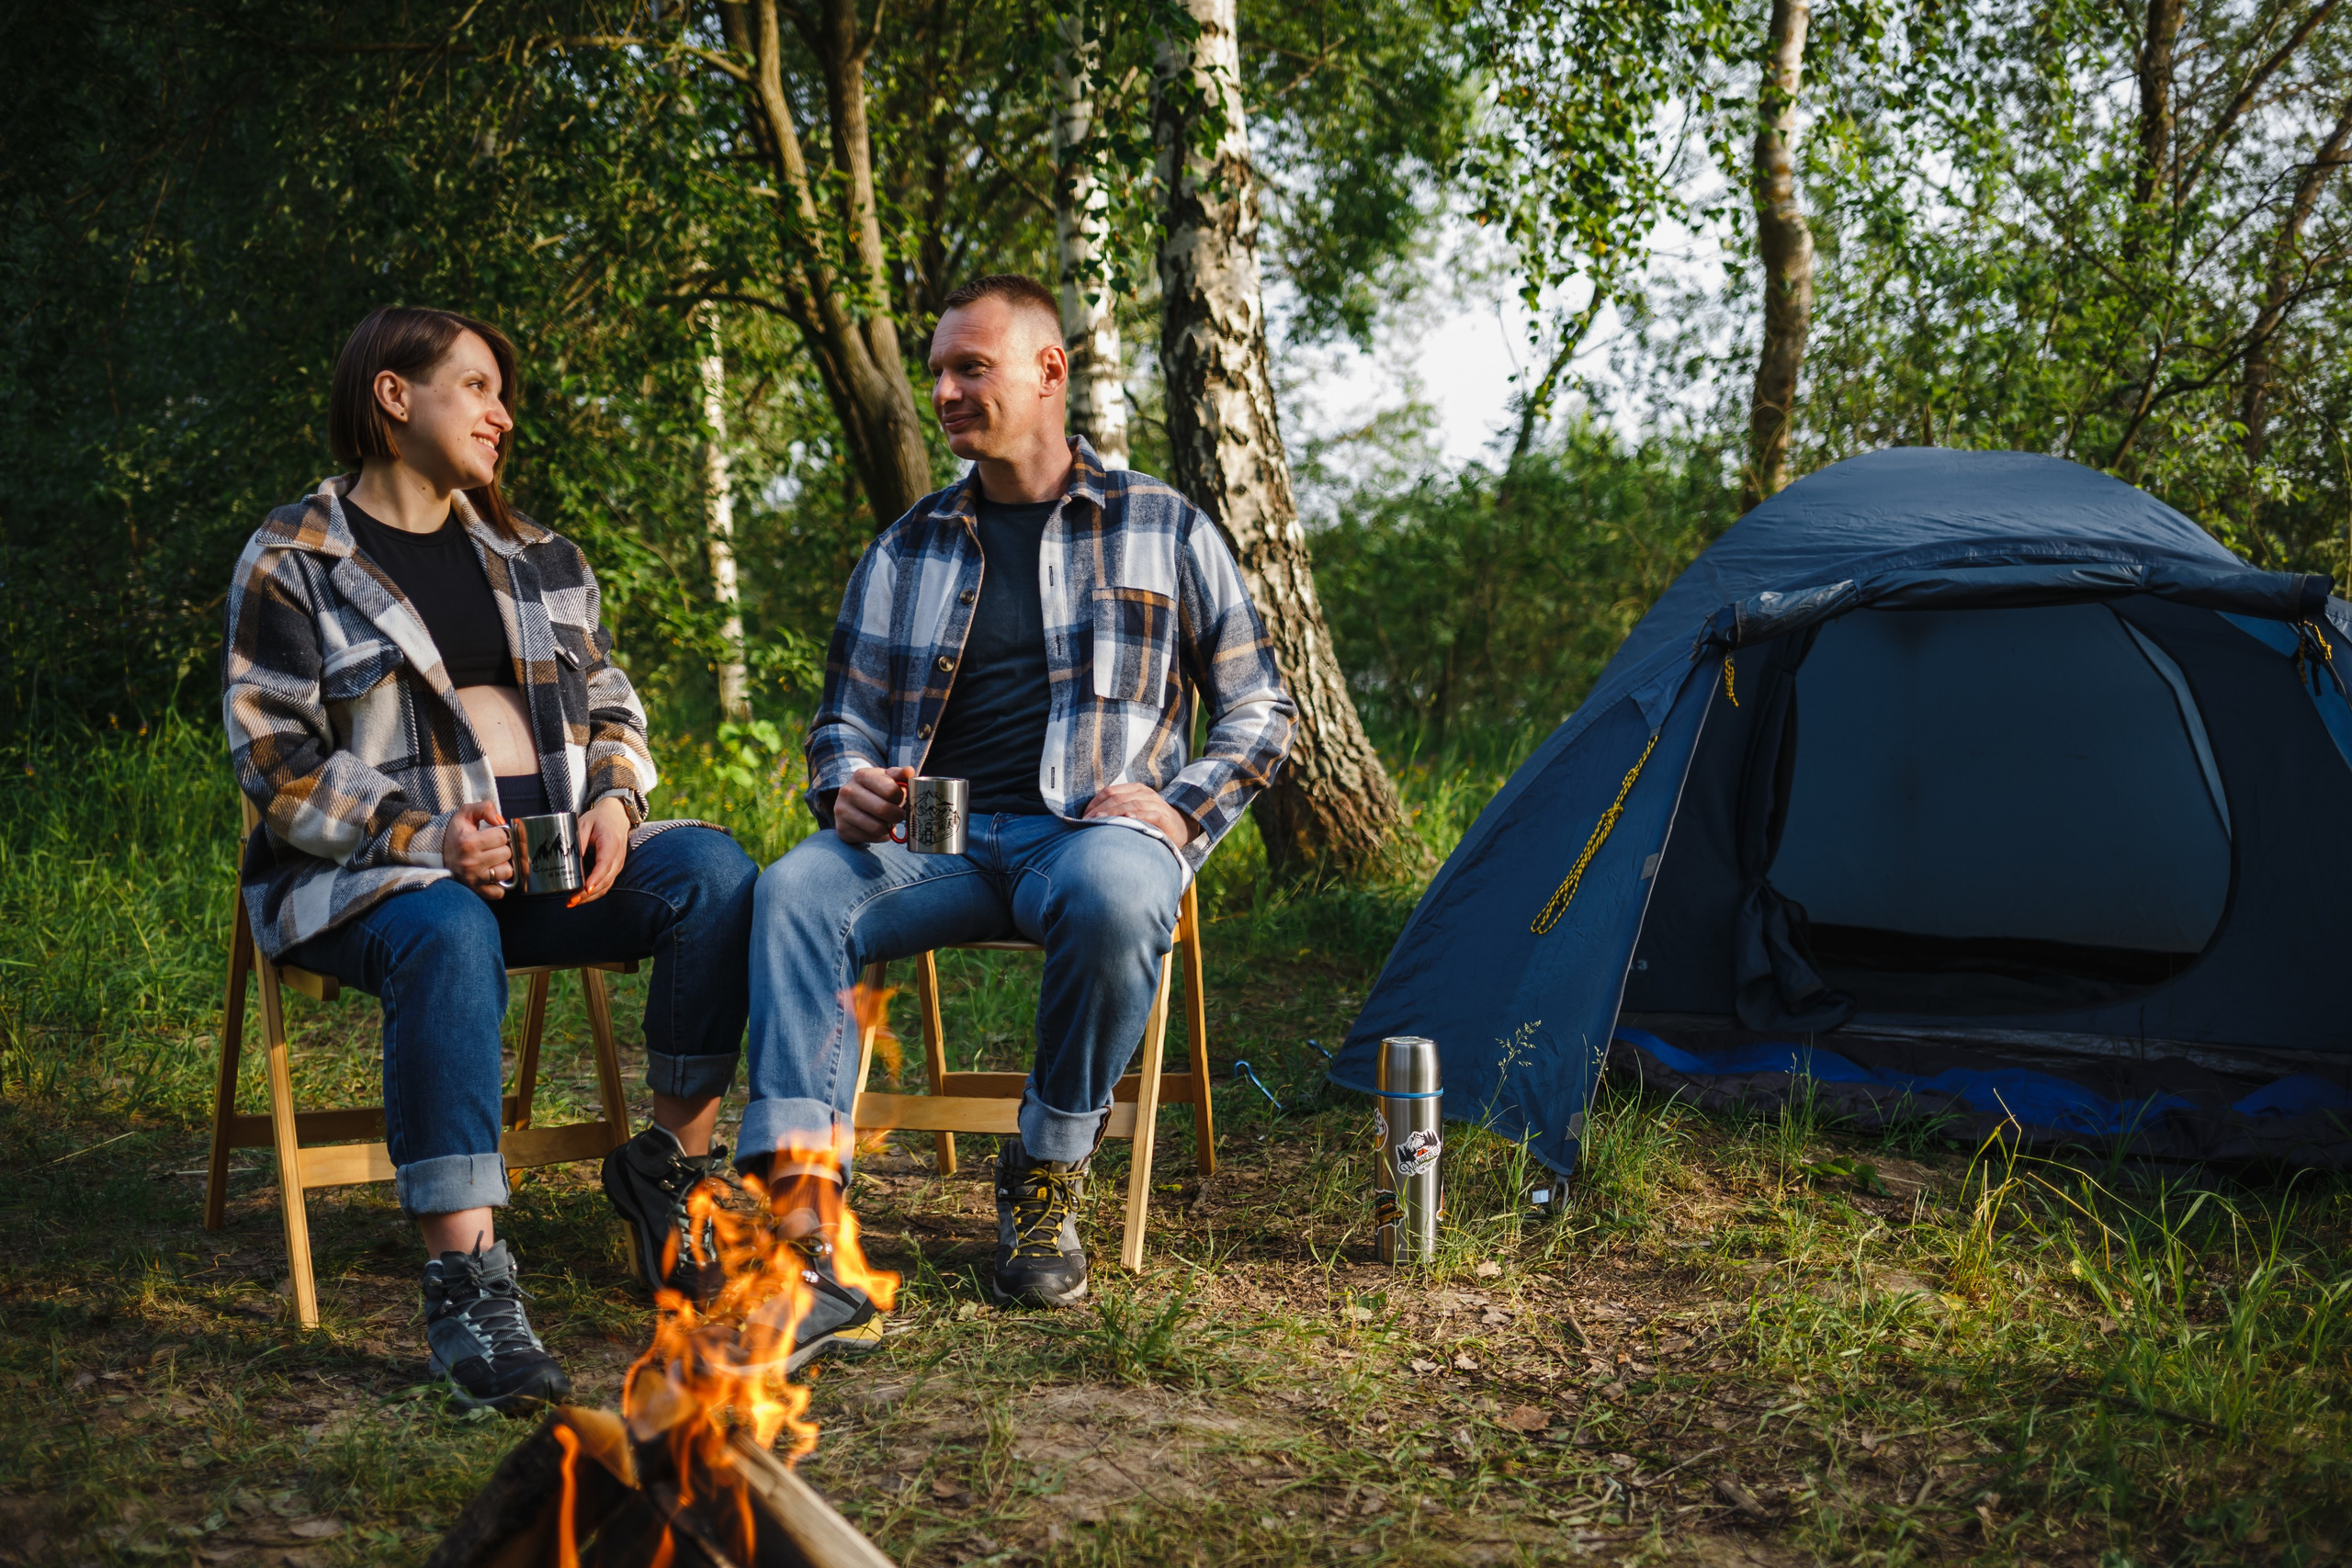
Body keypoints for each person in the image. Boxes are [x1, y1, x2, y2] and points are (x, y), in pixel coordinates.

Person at [220, 306, 875, 1415]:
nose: (501, 414)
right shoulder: (298, 560)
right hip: (375, 881)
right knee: (448, 924)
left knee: (716, 874)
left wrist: (618, 795)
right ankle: (468, 1279)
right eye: (475, 387)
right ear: (394, 396)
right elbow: (275, 760)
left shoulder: (539, 557)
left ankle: (669, 1175)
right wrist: (427, 838)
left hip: (557, 861)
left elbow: (612, 701)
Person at [737, 274, 1296, 1307]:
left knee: (1123, 893)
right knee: (795, 891)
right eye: (937, 370)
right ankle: (802, 1216)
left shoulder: (1163, 526)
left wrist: (1182, 809)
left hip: (1088, 838)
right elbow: (841, 720)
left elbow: (1262, 707)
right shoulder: (907, 544)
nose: (943, 389)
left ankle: (1043, 1169)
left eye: (969, 367)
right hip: (929, 844)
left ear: (1050, 372)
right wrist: (844, 783)